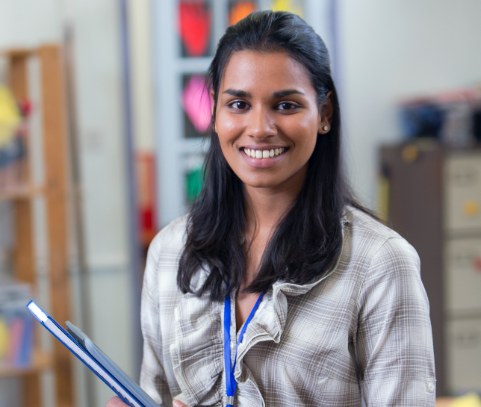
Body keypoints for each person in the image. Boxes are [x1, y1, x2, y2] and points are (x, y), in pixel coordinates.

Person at [108, 10, 436, 407]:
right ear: (214, 113)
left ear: (324, 114)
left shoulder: (381, 264)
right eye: (239, 104)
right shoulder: (171, 252)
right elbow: (155, 393)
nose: (260, 127)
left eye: (285, 105)